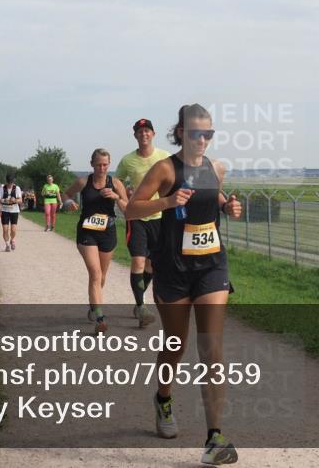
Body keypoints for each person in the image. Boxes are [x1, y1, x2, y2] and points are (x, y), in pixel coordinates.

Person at [125, 104, 242, 466]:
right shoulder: (165, 168)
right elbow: (131, 209)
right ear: (181, 132)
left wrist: (228, 207)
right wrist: (167, 200)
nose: (203, 139)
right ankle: (163, 397)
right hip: (173, 269)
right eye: (196, 133)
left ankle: (214, 437)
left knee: (211, 347)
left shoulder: (214, 167)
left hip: (211, 266)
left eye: (209, 133)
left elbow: (214, 198)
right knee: (175, 344)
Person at [64, 149, 128, 335]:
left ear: (109, 164)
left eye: (105, 164)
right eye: (98, 164)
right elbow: (66, 194)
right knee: (95, 273)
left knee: (102, 277)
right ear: (92, 164)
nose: (101, 168)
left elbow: (128, 209)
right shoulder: (84, 182)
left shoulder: (116, 183)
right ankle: (100, 318)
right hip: (87, 232)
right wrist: (68, 203)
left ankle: (93, 305)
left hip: (108, 232)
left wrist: (116, 197)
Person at [116, 118, 170, 327]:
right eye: (140, 131)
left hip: (160, 218)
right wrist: (124, 198)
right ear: (135, 136)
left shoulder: (164, 157)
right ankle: (141, 306)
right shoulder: (128, 160)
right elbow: (117, 180)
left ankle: (140, 300)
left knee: (151, 265)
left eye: (147, 131)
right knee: (138, 261)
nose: (144, 134)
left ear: (153, 134)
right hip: (137, 217)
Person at [0, 173, 22, 252]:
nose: (10, 184)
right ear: (7, 181)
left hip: (14, 211)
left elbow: (20, 200)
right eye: (9, 182)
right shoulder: (2, 188)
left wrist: (14, 200)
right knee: (5, 229)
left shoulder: (17, 188)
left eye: (11, 182)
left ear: (13, 181)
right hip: (5, 211)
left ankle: (12, 240)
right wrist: (4, 200)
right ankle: (7, 244)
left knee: (13, 230)